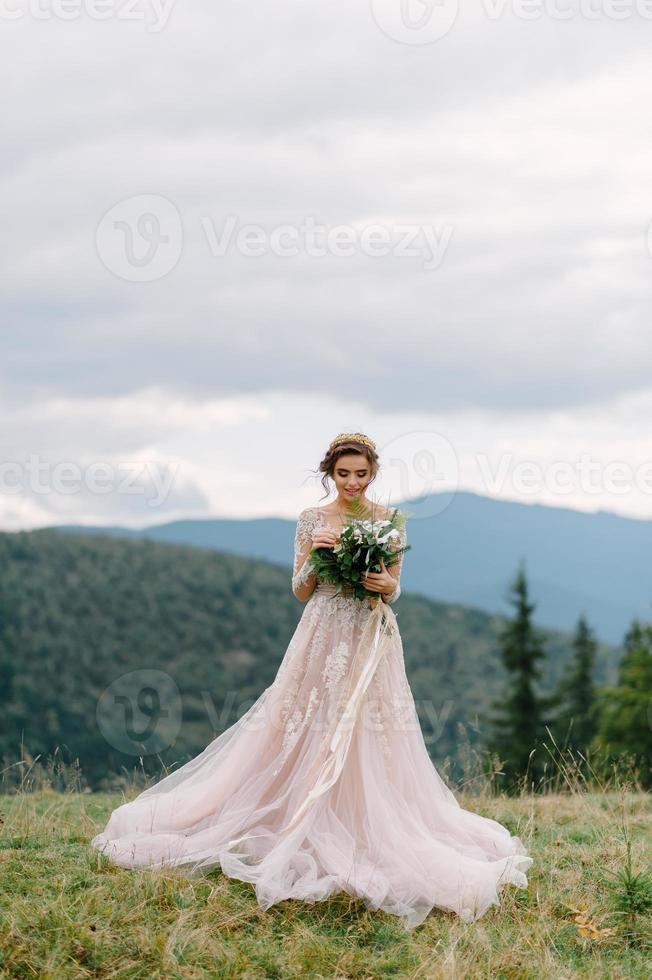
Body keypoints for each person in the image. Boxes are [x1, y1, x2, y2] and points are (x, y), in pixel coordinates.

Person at [91, 432, 532, 929]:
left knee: (372, 726)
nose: (352, 483)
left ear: (373, 473)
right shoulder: (311, 519)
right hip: (321, 632)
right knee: (306, 718)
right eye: (343, 474)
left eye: (361, 474)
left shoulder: (388, 521)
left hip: (370, 634)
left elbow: (393, 587)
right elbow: (300, 590)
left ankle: (366, 820)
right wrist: (319, 557)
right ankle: (293, 813)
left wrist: (386, 584)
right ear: (330, 473)